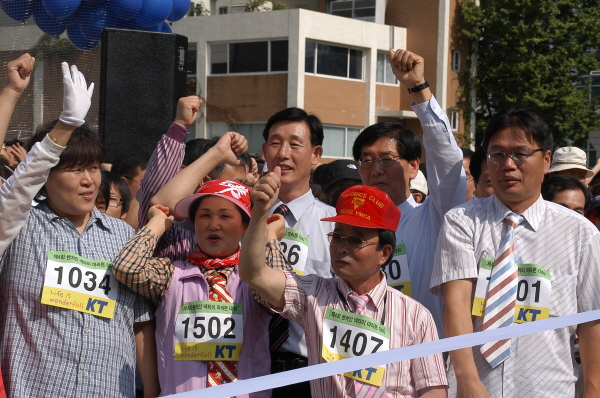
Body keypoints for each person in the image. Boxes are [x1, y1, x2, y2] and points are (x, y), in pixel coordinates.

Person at [0, 62, 158, 398]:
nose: (89, 180)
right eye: (74, 169)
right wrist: (13, 93)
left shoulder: (122, 235)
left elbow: (139, 322)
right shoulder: (18, 227)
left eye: (93, 168)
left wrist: (153, 391)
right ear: (44, 175)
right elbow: (10, 195)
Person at [431, 107, 600, 397]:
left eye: (520, 154)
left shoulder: (580, 233)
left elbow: (591, 322)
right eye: (497, 154)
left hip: (548, 388)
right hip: (477, 387)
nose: (508, 165)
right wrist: (469, 381)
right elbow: (455, 304)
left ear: (546, 160)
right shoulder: (462, 222)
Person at [240, 170, 448, 397]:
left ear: (384, 253)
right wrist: (260, 213)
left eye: (356, 240)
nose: (341, 247)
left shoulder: (416, 316)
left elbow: (433, 389)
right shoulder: (313, 294)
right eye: (337, 236)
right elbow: (254, 273)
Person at [113, 179, 288, 396]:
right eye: (204, 215)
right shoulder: (171, 274)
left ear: (245, 226)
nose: (213, 225)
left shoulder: (253, 280)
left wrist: (268, 237)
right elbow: (125, 267)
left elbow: (284, 290)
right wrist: (157, 224)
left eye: (225, 216)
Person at [353, 49, 465, 336]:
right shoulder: (347, 230)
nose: (376, 169)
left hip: (422, 366)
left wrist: (418, 89)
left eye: (387, 159)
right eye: (366, 160)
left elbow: (448, 159)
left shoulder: (435, 220)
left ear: (414, 166)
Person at [261, 106, 337, 397]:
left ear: (316, 154)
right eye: (276, 143)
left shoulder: (334, 227)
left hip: (309, 372)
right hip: (246, 366)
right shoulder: (239, 218)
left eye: (295, 144)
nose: (283, 153)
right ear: (265, 150)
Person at [143, 95, 253, 261]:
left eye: (246, 185)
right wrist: (217, 153)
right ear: (204, 181)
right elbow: (162, 204)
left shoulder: (250, 234)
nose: (242, 193)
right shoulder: (171, 230)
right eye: (235, 185)